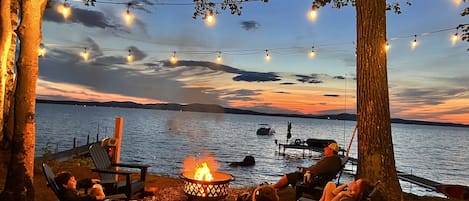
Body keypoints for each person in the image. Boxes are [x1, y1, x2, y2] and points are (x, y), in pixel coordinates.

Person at [272, 143, 342, 189]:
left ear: (330, 150)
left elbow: (316, 170)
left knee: (288, 177)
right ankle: (275, 190)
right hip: (318, 178)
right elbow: (318, 169)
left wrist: (305, 170)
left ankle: (272, 187)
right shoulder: (335, 160)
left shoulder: (329, 161)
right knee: (292, 176)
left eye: (326, 148)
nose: (324, 149)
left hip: (314, 180)